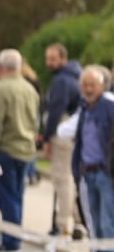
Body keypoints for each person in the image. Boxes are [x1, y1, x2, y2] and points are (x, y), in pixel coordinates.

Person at [0, 49, 39, 252]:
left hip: (6, 149)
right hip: (26, 149)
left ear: (1, 68)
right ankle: (13, 236)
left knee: (6, 197)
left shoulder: (1, 89)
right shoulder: (30, 88)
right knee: (17, 196)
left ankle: (12, 239)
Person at [71, 65, 114, 252]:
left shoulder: (109, 108)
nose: (88, 89)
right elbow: (79, 141)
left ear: (102, 86)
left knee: (108, 226)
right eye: (85, 85)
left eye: (92, 85)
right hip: (88, 172)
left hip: (105, 174)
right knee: (95, 226)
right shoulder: (85, 108)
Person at [40, 43, 84, 238]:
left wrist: (47, 137)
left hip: (62, 129)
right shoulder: (75, 76)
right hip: (72, 128)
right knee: (69, 178)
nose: (49, 63)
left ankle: (63, 224)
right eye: (48, 59)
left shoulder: (61, 81)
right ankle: (78, 220)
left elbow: (56, 110)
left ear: (63, 59)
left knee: (61, 177)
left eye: (53, 59)